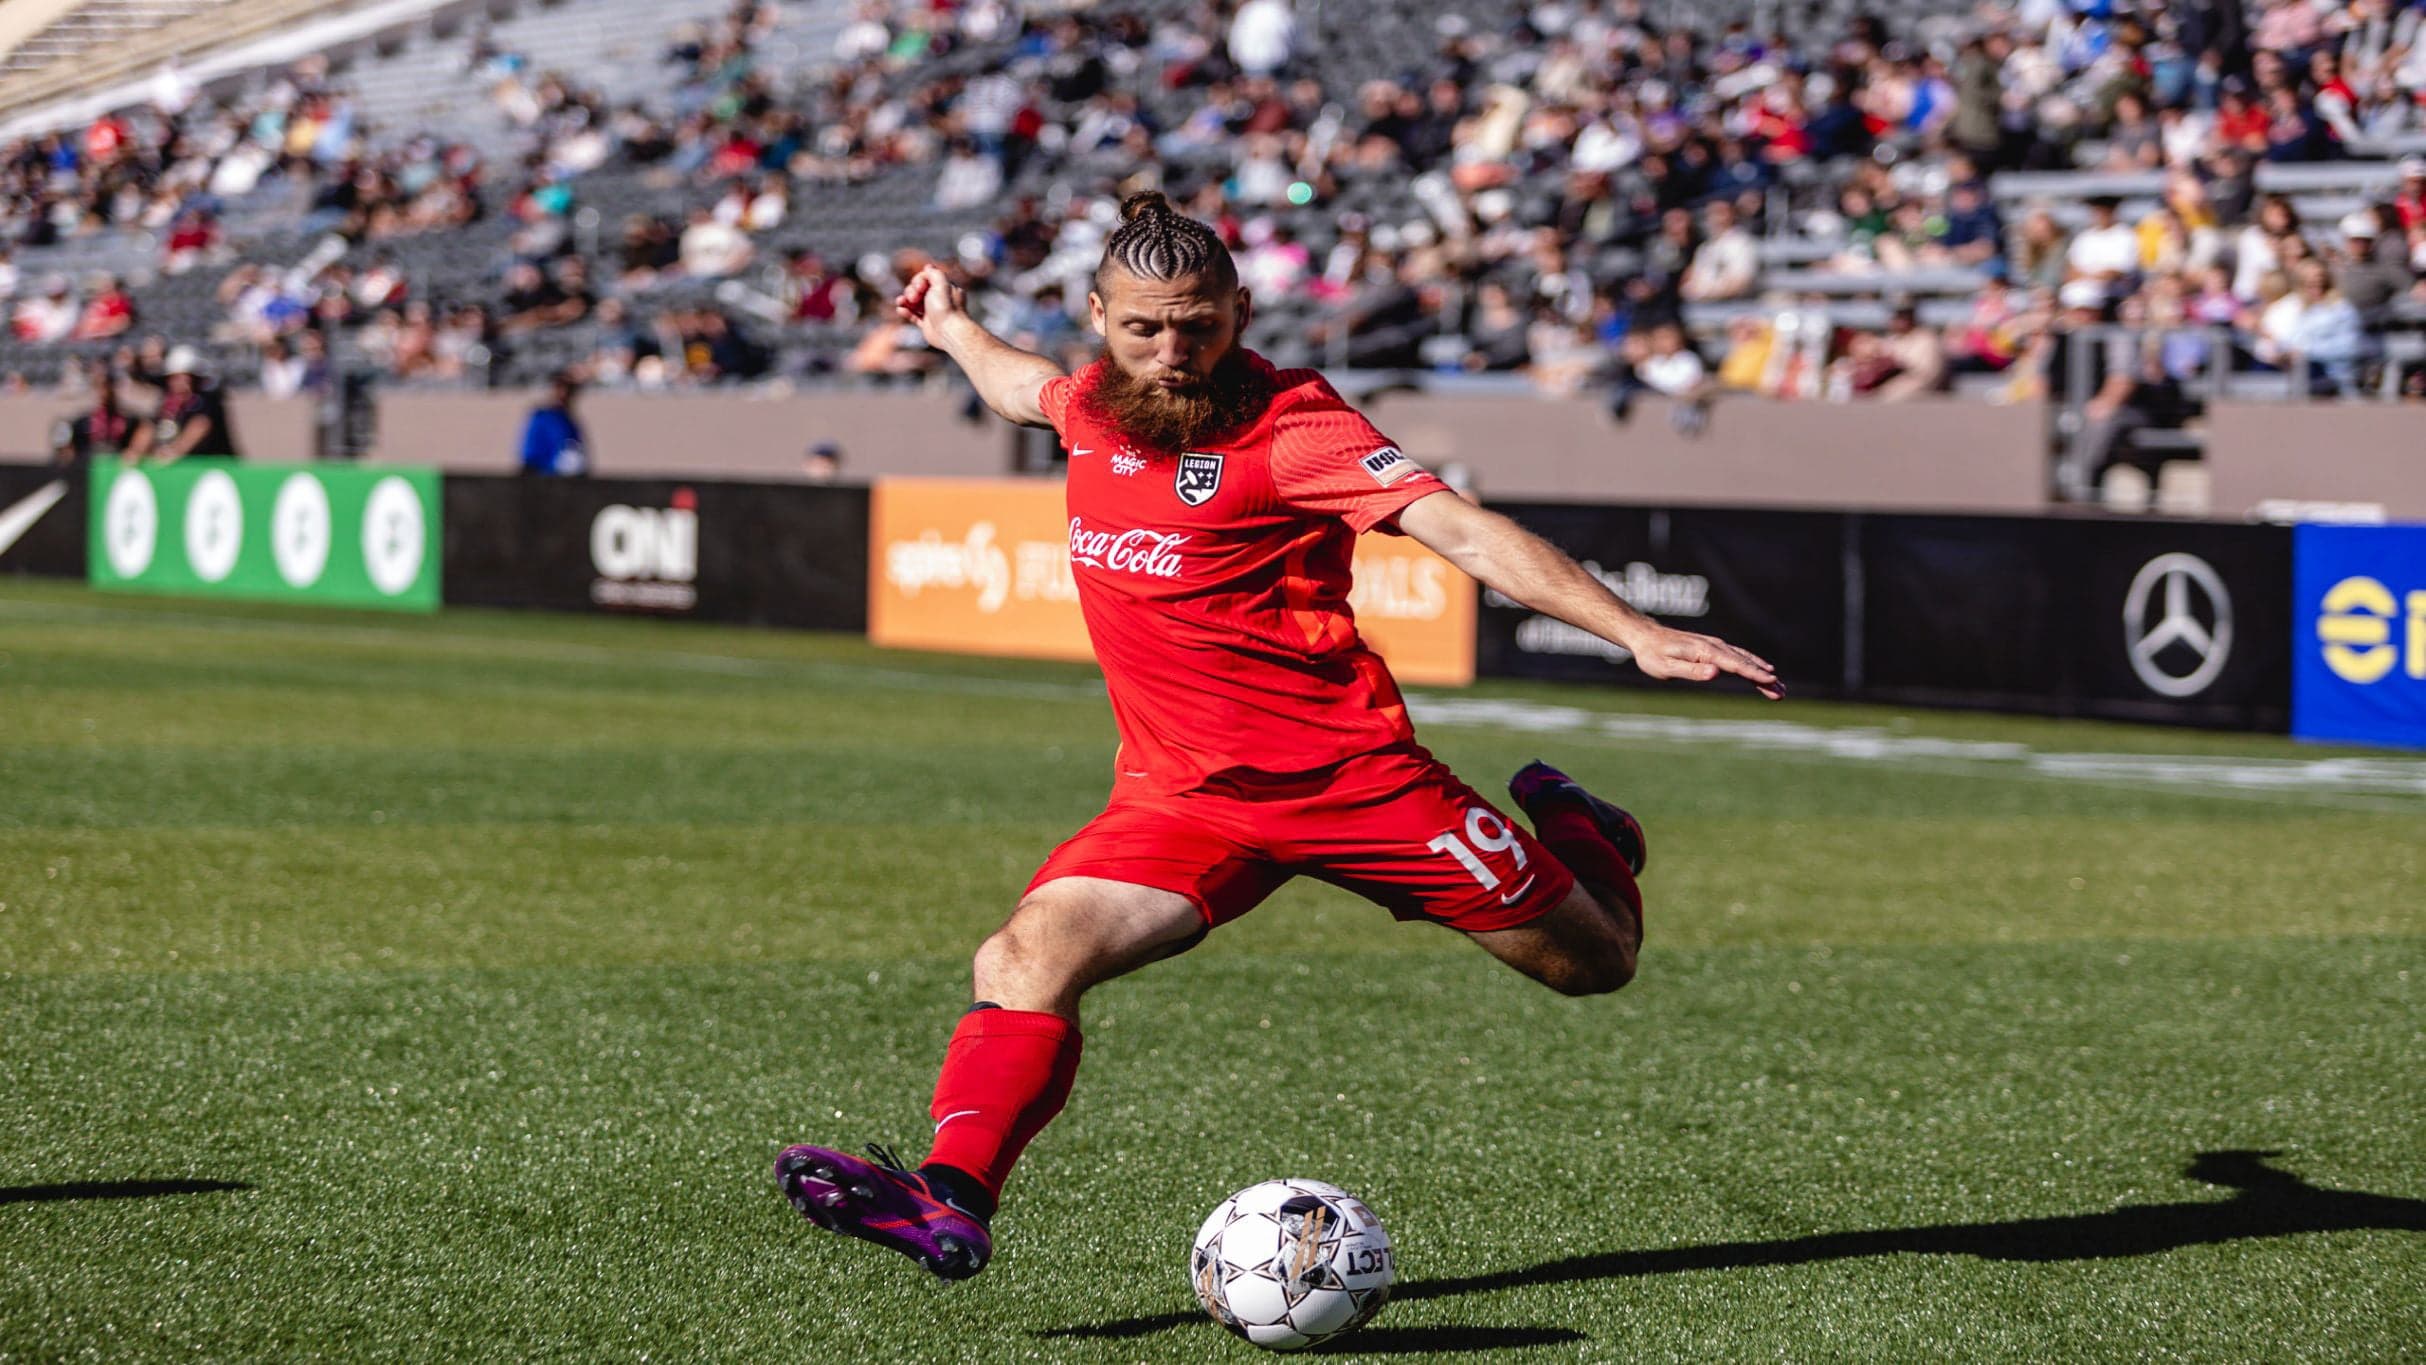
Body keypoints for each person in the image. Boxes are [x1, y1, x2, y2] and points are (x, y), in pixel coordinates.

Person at [772, 192, 1783, 1281]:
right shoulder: (1088, 406)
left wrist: (1631, 630)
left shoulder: (1295, 429)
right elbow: (1017, 383)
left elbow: (1462, 530)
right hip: (1180, 798)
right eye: (1143, 328)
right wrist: (951, 326)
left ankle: (1583, 834)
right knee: (1022, 955)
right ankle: (949, 1197)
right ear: (1098, 316)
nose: (1173, 353)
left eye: (1199, 325)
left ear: (1239, 310)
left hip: (1358, 786)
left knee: (1595, 966)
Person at [127, 347, 241, 462]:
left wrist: (174, 451)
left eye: (185, 378)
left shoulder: (207, 402)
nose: (179, 383)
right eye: (174, 378)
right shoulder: (168, 403)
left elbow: (199, 426)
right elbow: (150, 426)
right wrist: (135, 451)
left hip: (213, 464)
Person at [50, 364, 135, 467]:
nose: (104, 393)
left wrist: (134, 450)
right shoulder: (83, 422)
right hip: (88, 468)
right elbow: (66, 445)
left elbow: (143, 430)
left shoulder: (126, 420)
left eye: (107, 387)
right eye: (99, 387)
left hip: (116, 468)